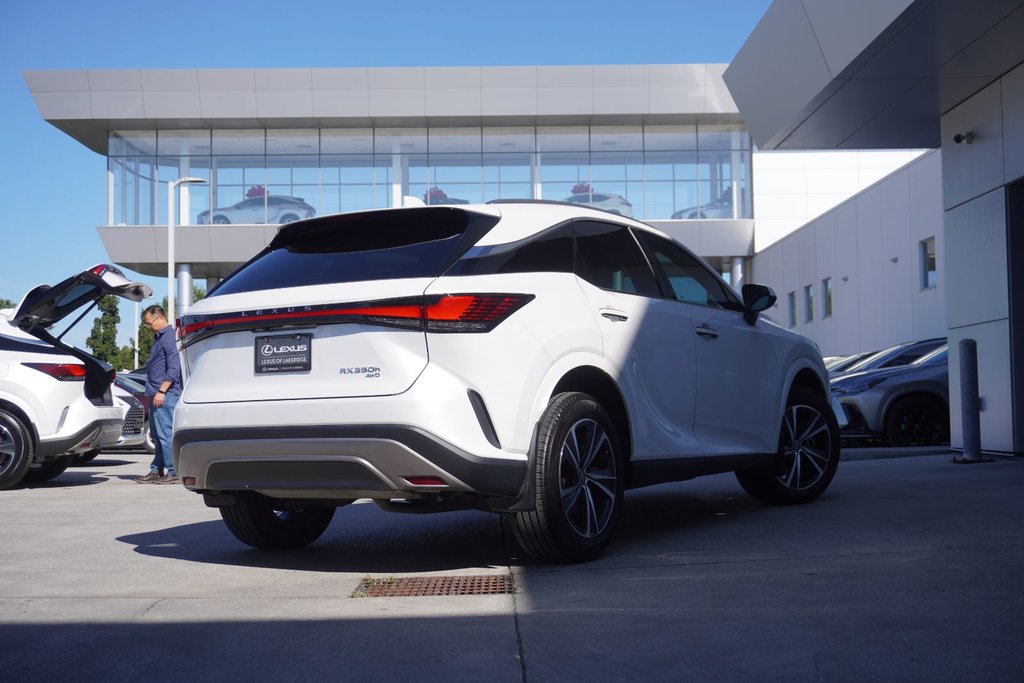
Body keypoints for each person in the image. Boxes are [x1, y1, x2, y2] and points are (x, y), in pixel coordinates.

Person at [135, 305, 181, 484]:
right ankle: (156, 470)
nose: (147, 327)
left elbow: (173, 367)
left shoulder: (168, 336)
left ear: (160, 318)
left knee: (164, 435)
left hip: (164, 395)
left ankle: (173, 471)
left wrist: (162, 391)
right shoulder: (159, 337)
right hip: (155, 394)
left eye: (148, 323)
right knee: (157, 435)